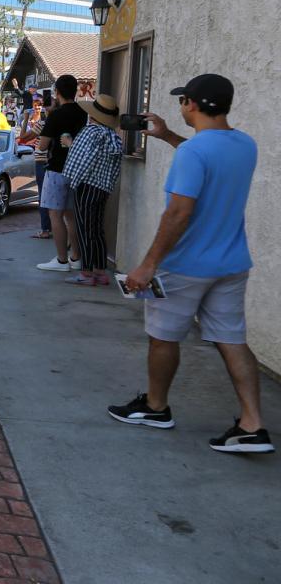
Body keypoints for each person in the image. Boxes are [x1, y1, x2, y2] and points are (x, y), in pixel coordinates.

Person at [109, 74, 272, 454]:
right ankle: (252, 425)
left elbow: (179, 213)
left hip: (184, 267)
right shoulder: (244, 145)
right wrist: (168, 137)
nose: (181, 105)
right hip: (231, 264)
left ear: (192, 104)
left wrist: (148, 265)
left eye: (183, 100)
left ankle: (156, 406)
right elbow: (208, 163)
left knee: (163, 336)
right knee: (232, 340)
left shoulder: (194, 153)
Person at [60, 94, 123, 286]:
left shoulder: (91, 132)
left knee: (84, 229)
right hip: (103, 189)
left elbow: (83, 161)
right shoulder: (112, 136)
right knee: (96, 230)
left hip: (86, 185)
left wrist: (72, 180)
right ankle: (100, 271)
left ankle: (86, 273)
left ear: (93, 114)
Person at [35, 74, 86, 272]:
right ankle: (76, 257)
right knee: (72, 215)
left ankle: (61, 260)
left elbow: (42, 145)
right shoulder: (83, 113)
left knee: (55, 215)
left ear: (57, 92)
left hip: (57, 169)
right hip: (78, 169)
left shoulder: (55, 115)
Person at [17, 97, 52, 239]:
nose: (41, 108)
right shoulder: (61, 122)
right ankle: (53, 227)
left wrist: (25, 119)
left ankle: (45, 229)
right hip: (56, 163)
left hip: (42, 161)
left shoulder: (44, 123)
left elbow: (23, 138)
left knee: (43, 196)